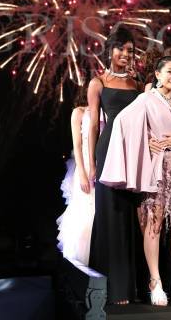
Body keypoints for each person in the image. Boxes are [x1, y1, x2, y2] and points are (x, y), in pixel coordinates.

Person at [100, 56, 171, 309]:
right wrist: (144, 142)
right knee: (153, 226)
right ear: (157, 74)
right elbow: (121, 123)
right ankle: (155, 281)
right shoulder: (145, 99)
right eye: (169, 71)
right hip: (157, 171)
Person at [87, 28, 142, 305]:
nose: (125, 54)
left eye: (130, 50)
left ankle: (133, 286)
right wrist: (91, 163)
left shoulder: (138, 83)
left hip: (134, 153)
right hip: (108, 151)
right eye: (121, 49)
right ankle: (112, 287)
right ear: (110, 50)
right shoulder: (98, 82)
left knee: (131, 216)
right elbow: (94, 126)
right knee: (110, 215)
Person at [56, 86, 103, 264]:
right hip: (84, 166)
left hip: (103, 165)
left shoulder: (102, 111)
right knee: (85, 210)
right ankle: (82, 259)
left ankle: (98, 256)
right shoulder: (79, 112)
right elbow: (77, 145)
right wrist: (82, 173)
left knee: (98, 211)